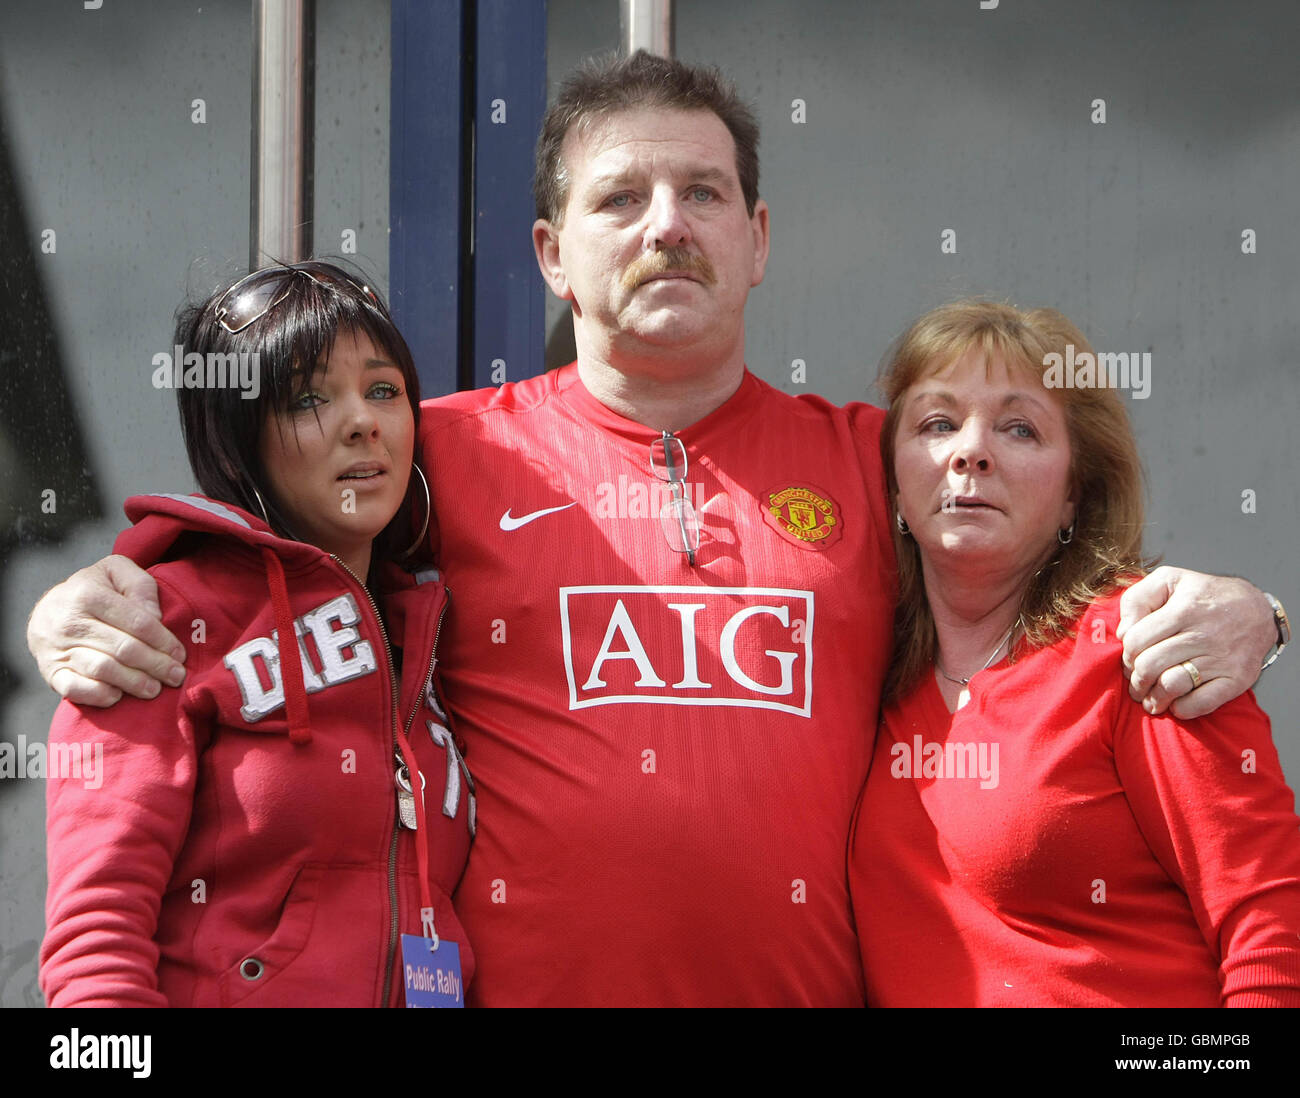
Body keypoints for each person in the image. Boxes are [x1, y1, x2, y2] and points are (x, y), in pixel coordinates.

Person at [26, 54, 1287, 1006]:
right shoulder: (437, 452)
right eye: (618, 198)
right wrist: (84, 595)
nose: (665, 224)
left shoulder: (878, 453)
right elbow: (254, 558)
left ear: (758, 242)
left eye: (703, 193)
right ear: (550, 256)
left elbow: (1054, 570)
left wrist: (1254, 611)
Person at [40, 262, 476, 1007]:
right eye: (308, 397)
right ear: (241, 437)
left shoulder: (433, 635)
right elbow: (95, 939)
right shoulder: (152, 622)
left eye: (383, 390)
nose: (362, 420)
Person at [850, 300, 1300, 1007]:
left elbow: (1271, 927)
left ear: (1073, 497)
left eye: (1019, 428)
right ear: (896, 488)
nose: (971, 451)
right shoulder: (861, 676)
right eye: (937, 424)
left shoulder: (1146, 644)